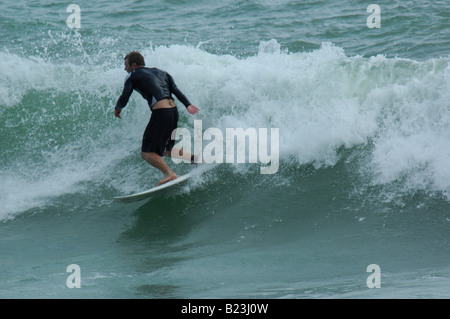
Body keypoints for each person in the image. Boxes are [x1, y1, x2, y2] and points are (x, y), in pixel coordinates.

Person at [114, 51, 199, 186]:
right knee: (166, 149)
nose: (125, 69)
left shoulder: (132, 76)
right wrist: (188, 104)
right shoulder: (162, 72)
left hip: (161, 112)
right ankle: (195, 159)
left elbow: (125, 96)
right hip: (173, 110)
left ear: (134, 65)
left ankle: (169, 174)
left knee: (147, 153)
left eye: (126, 65)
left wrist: (117, 109)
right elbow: (175, 90)